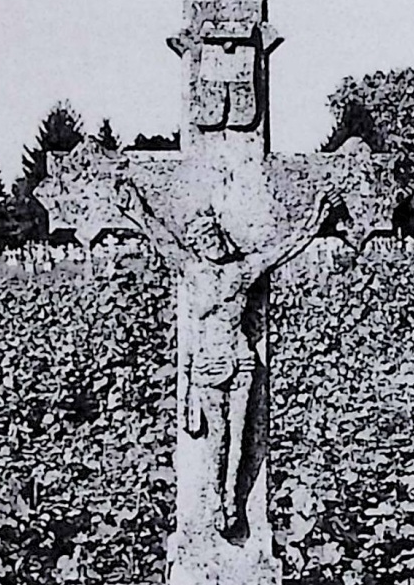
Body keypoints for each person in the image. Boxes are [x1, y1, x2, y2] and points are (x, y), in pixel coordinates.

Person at [118, 180, 342, 541]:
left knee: (240, 436)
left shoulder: (242, 272)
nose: (213, 244)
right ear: (198, 246)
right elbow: (163, 240)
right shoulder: (192, 271)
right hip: (209, 363)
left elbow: (283, 250)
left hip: (241, 360)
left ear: (222, 236)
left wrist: (315, 219)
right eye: (205, 240)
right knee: (217, 436)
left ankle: (233, 503)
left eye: (215, 237)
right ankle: (213, 501)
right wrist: (138, 209)